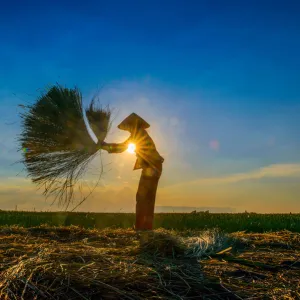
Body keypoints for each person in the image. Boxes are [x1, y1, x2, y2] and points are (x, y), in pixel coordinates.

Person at [100, 113, 164, 230]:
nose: (128, 129)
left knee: (142, 197)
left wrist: (103, 146)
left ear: (132, 125)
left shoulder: (138, 134)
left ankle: (142, 228)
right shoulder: (139, 133)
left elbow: (121, 148)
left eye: (128, 126)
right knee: (146, 198)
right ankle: (144, 228)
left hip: (152, 168)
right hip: (153, 167)